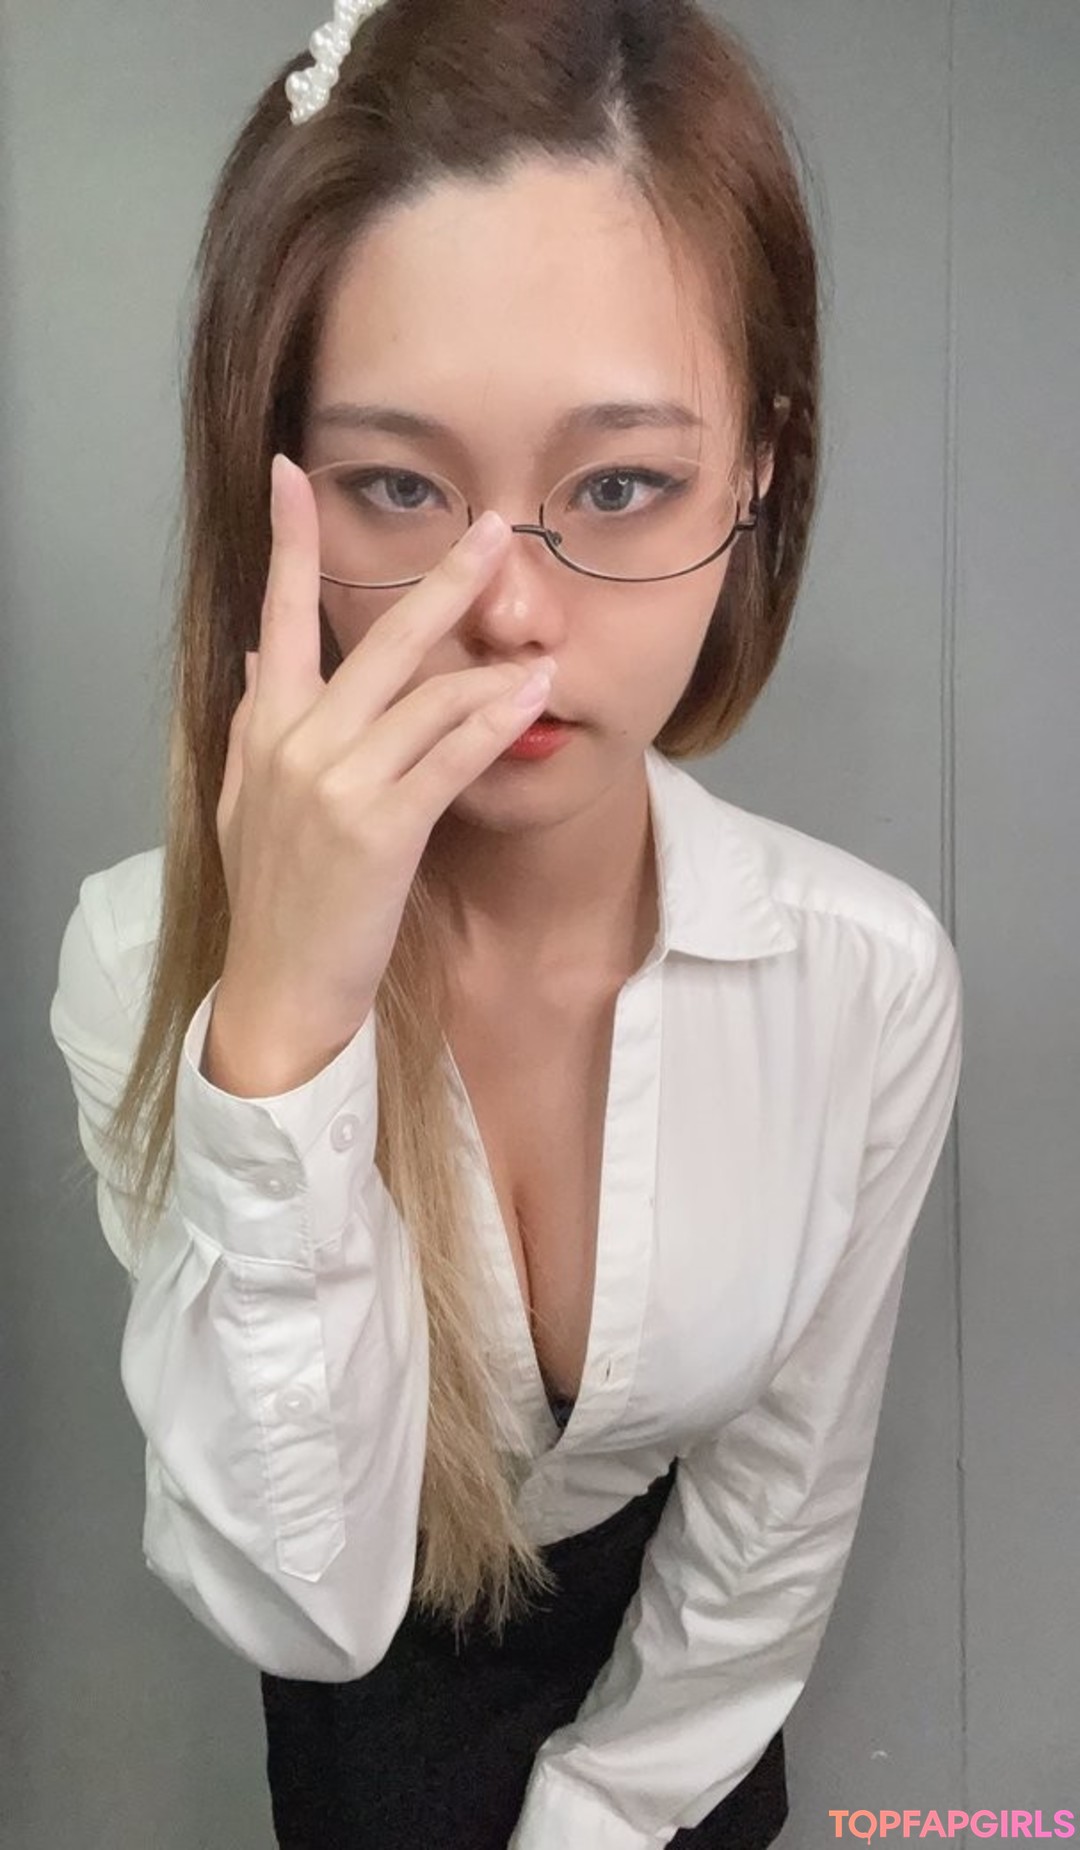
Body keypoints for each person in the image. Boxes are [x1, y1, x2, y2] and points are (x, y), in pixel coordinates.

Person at [48, 1, 964, 1845]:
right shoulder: (145, 965)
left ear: (758, 467)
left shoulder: (863, 980)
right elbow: (304, 1596)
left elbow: (770, 1532)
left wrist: (598, 1816)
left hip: (686, 1735)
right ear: (279, 491)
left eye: (619, 484)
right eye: (401, 486)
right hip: (366, 1739)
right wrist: (282, 1026)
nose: (512, 616)